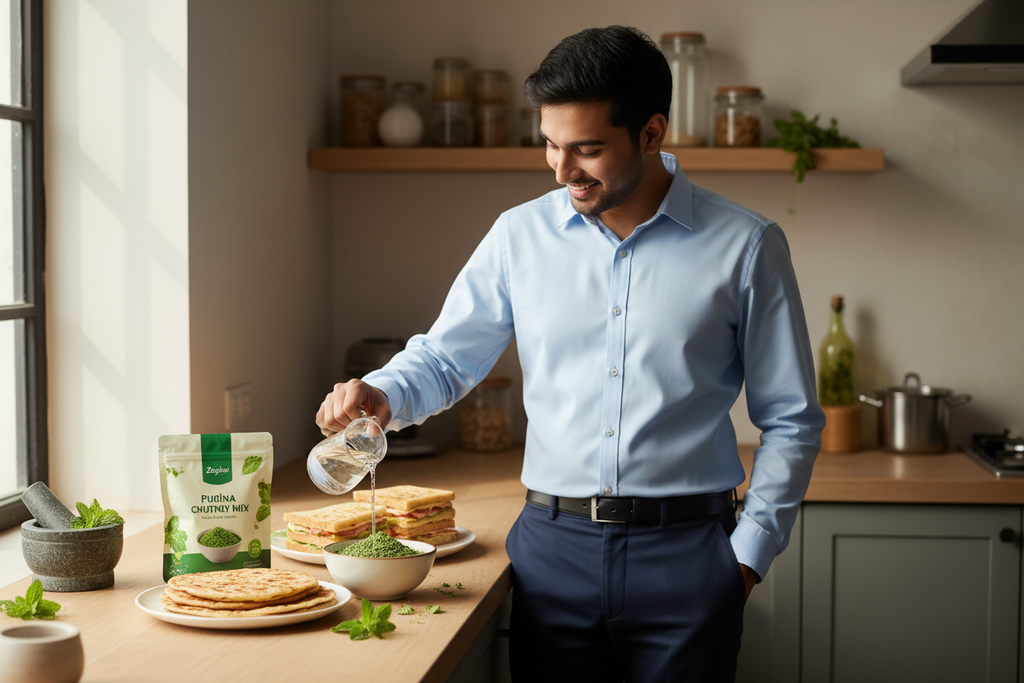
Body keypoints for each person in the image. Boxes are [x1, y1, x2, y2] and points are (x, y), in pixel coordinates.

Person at [317, 25, 824, 683]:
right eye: (550, 146)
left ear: (651, 133)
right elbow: (445, 359)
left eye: (586, 149)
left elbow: (791, 418)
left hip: (689, 556)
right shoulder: (518, 236)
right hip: (552, 552)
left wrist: (744, 561)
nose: (562, 170)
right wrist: (383, 395)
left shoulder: (747, 246)